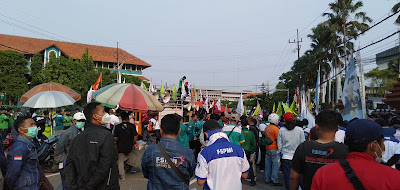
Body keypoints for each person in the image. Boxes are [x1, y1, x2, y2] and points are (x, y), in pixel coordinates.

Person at [311, 119, 400, 190]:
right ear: (373, 145)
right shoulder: (393, 177)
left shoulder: (323, 174)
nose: (384, 148)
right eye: (383, 143)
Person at [64, 102, 119, 190]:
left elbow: (69, 165)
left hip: (81, 185)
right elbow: (105, 166)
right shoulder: (106, 135)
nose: (106, 114)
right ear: (95, 116)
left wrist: (73, 186)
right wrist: (89, 186)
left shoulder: (78, 137)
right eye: (103, 111)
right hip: (103, 186)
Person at [290, 111, 348, 190]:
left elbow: (294, 177)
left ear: (317, 127)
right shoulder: (344, 150)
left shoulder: (304, 148)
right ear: (337, 128)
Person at [142, 114, 195, 189]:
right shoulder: (188, 153)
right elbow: (189, 174)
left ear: (161, 130)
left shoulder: (150, 151)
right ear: (179, 131)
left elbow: (146, 173)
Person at [195, 119, 249, 190]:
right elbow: (245, 175)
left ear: (206, 134)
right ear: (221, 131)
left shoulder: (205, 153)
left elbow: (200, 181)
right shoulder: (239, 150)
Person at [5, 116, 41, 189]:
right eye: (31, 125)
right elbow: (13, 172)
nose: (34, 127)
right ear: (21, 130)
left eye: (34, 124)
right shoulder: (20, 147)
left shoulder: (29, 145)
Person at [55, 112, 86, 190]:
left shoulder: (81, 132)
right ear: (74, 121)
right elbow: (60, 146)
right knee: (67, 184)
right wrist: (59, 158)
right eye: (79, 120)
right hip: (67, 161)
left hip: (77, 162)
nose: (81, 122)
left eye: (83, 120)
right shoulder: (67, 133)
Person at [277, 113, 305, 190]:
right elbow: (303, 143)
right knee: (299, 175)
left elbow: (279, 144)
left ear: (284, 120)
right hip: (298, 156)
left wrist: (281, 152)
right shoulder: (300, 130)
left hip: (286, 156)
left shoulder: (281, 130)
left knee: (287, 176)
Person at [114, 112, 138, 181]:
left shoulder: (117, 127)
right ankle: (126, 168)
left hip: (120, 147)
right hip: (129, 146)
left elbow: (115, 138)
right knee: (129, 156)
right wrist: (134, 143)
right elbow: (135, 136)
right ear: (127, 118)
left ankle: (122, 176)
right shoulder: (132, 126)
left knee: (120, 161)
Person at [264, 113, 281, 186]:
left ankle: (267, 178)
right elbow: (279, 139)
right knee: (275, 165)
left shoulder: (266, 127)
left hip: (268, 148)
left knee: (268, 164)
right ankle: (274, 180)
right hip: (274, 148)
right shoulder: (276, 129)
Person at [240, 118, 257, 186]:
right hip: (248, 151)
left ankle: (239, 181)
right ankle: (252, 180)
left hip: (241, 151)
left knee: (239, 167)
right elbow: (254, 144)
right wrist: (252, 152)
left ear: (241, 124)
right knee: (249, 166)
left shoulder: (239, 132)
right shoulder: (250, 133)